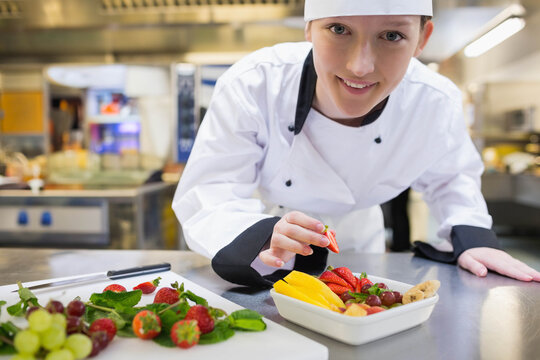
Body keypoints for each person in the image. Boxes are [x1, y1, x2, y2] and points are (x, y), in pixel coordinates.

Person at [173, 0, 540, 287]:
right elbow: (211, 191)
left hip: (364, 249)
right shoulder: (254, 84)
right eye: (338, 29)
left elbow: (452, 180)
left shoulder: (434, 100)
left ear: (422, 39)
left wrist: (473, 236)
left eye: (392, 36)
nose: (361, 66)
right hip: (271, 250)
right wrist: (264, 235)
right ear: (309, 29)